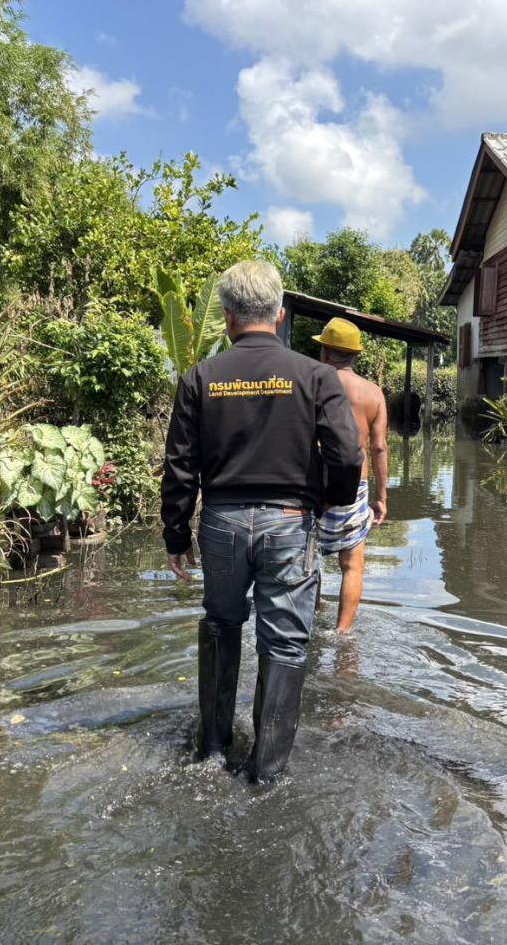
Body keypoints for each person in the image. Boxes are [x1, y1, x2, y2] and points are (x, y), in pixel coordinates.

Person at [161, 260, 363, 784]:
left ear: (227, 318)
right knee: (286, 645)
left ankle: (211, 750)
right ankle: (267, 773)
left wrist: (175, 534)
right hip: (290, 523)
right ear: (279, 314)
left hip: (222, 523)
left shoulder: (200, 377)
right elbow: (346, 455)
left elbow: (181, 465)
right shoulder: (316, 376)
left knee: (221, 625)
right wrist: (331, 505)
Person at [311, 317, 388, 633]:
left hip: (313, 482)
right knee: (352, 566)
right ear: (355, 354)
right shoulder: (373, 393)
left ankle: (313, 616)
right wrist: (381, 497)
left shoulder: (312, 383)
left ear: (326, 351)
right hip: (356, 484)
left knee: (308, 559)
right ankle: (342, 634)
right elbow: (379, 448)